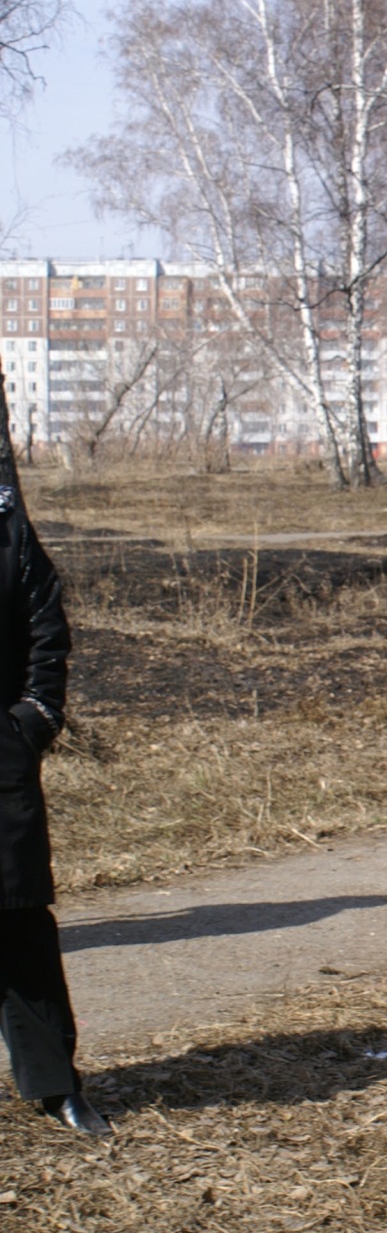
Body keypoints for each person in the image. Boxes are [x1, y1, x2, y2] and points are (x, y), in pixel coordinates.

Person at [0, 481, 108, 1136]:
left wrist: (31, 722)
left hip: (0, 757)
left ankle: (55, 1084)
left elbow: (47, 630)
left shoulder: (7, 527)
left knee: (17, 920)